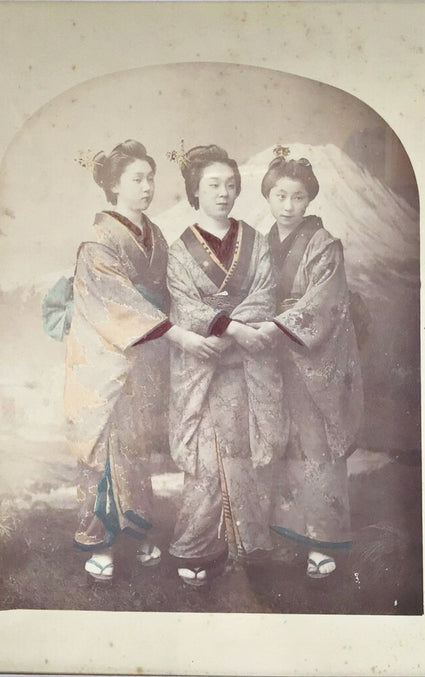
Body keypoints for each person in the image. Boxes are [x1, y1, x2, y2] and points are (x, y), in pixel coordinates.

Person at [164, 144, 287, 586]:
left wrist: (232, 325)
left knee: (249, 454)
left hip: (247, 369)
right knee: (207, 461)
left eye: (230, 185)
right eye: (213, 185)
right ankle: (198, 546)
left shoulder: (255, 240)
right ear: (195, 191)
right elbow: (183, 303)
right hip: (206, 368)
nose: (223, 193)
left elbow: (266, 293)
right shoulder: (179, 251)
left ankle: (252, 545)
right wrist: (233, 329)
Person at [64, 140, 171, 581]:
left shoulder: (157, 235)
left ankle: (137, 531)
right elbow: (115, 300)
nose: (146, 187)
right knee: (105, 449)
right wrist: (165, 324)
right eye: (136, 179)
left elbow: (165, 290)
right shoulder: (98, 240)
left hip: (145, 352)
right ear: (114, 184)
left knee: (135, 447)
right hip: (106, 355)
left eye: (150, 178)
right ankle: (101, 541)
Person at [254, 155, 363, 578]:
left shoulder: (323, 244)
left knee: (315, 446)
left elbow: (326, 301)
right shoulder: (262, 244)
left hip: (311, 358)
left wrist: (279, 324)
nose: (288, 205)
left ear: (309, 199)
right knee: (280, 443)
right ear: (268, 196)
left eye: (298, 197)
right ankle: (287, 536)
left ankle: (323, 540)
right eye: (279, 195)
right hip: (272, 357)